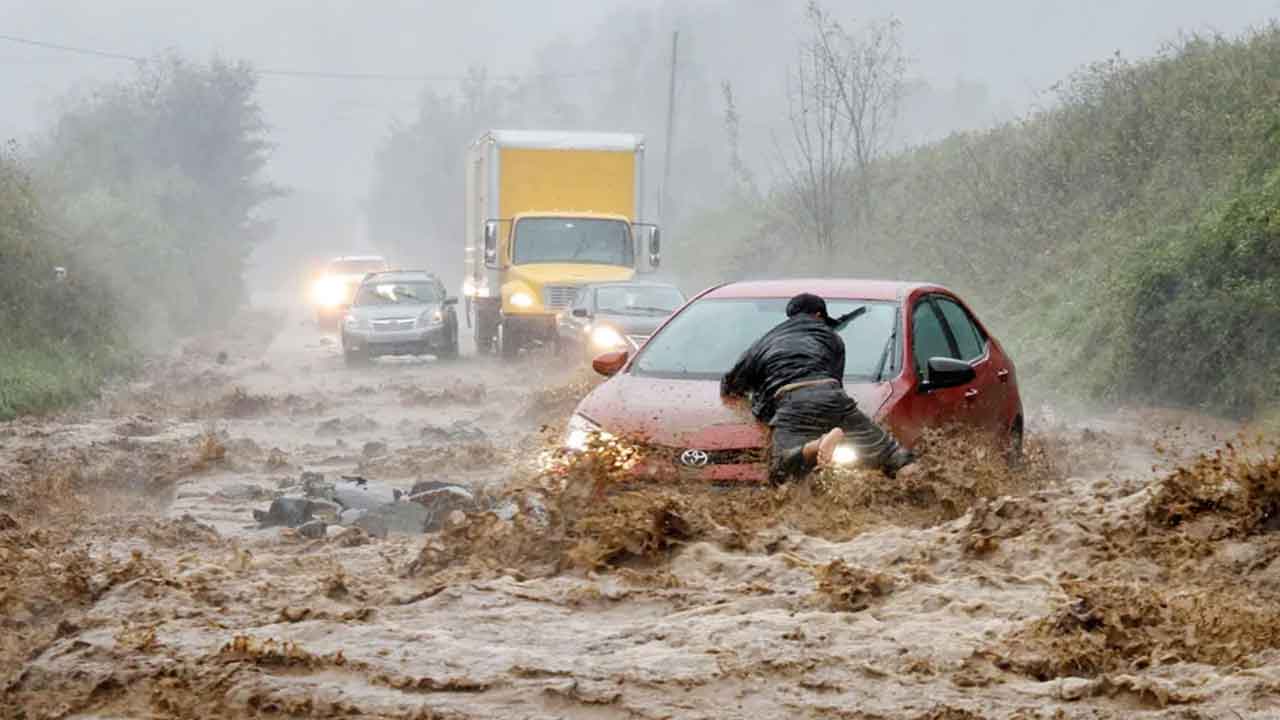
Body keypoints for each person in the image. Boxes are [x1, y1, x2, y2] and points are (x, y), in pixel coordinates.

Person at [721, 292, 914, 484]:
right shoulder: (832, 338)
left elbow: (731, 384)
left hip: (792, 401)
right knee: (892, 453)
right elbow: (836, 382)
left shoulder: (765, 342)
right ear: (819, 316)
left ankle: (818, 444)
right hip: (832, 396)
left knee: (779, 471)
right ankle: (924, 491)